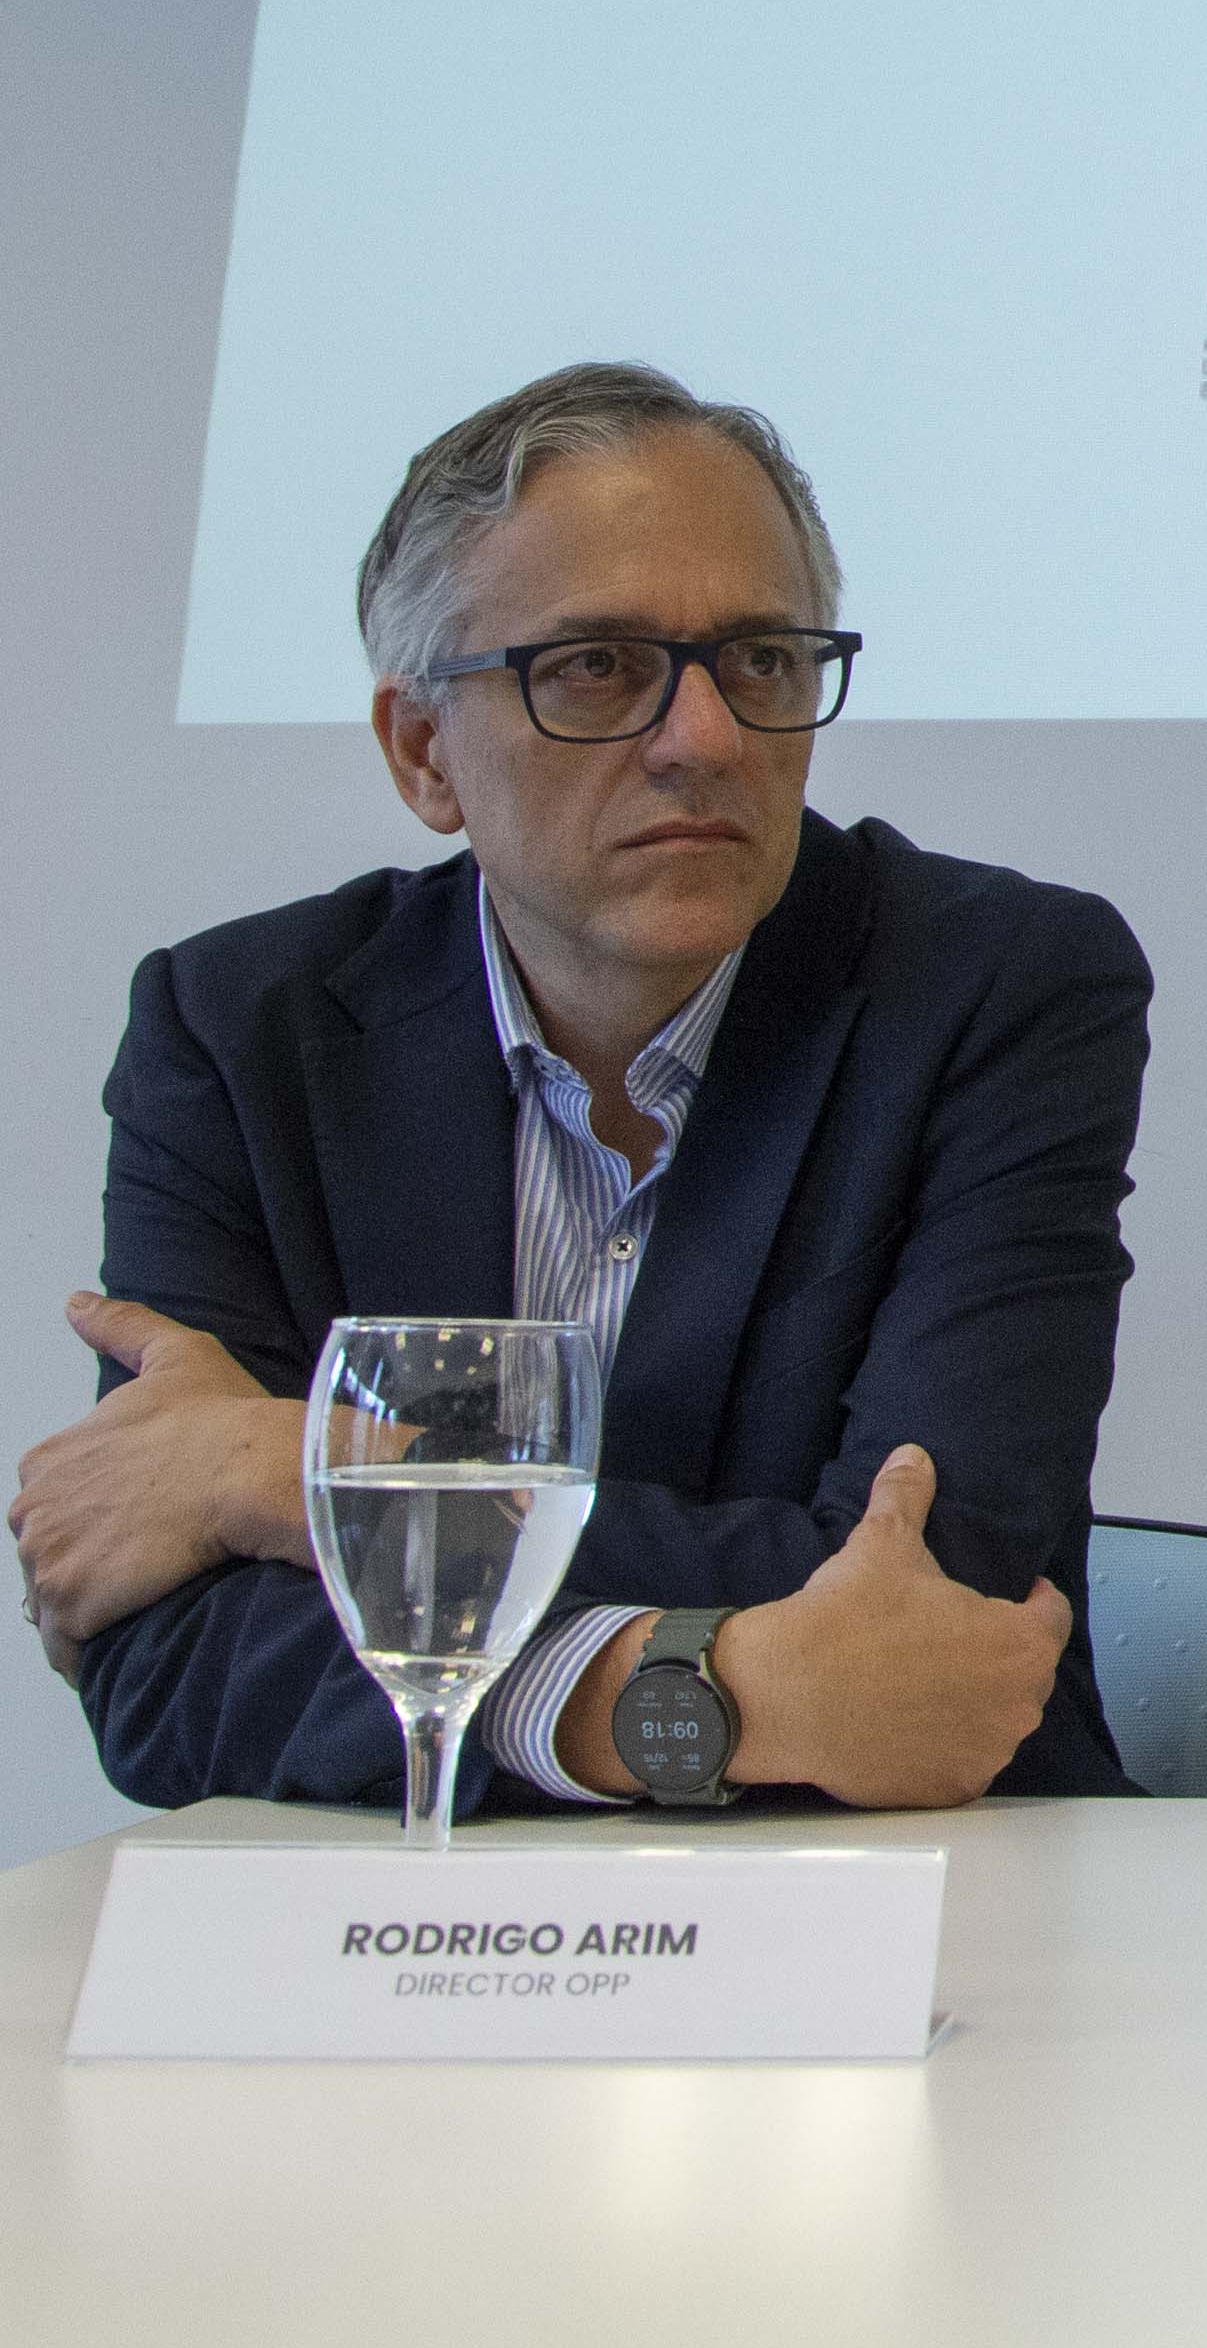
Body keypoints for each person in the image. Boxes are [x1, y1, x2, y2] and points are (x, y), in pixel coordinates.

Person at [12, 363, 1149, 1813]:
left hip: (920, 1881)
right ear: (424, 751)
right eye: (598, 667)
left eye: (762, 659)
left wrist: (293, 1471)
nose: (707, 738)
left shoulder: (996, 989)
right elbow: (171, 1663)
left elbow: (929, 1586)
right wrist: (694, 1700)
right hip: (404, 1919)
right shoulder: (240, 1033)